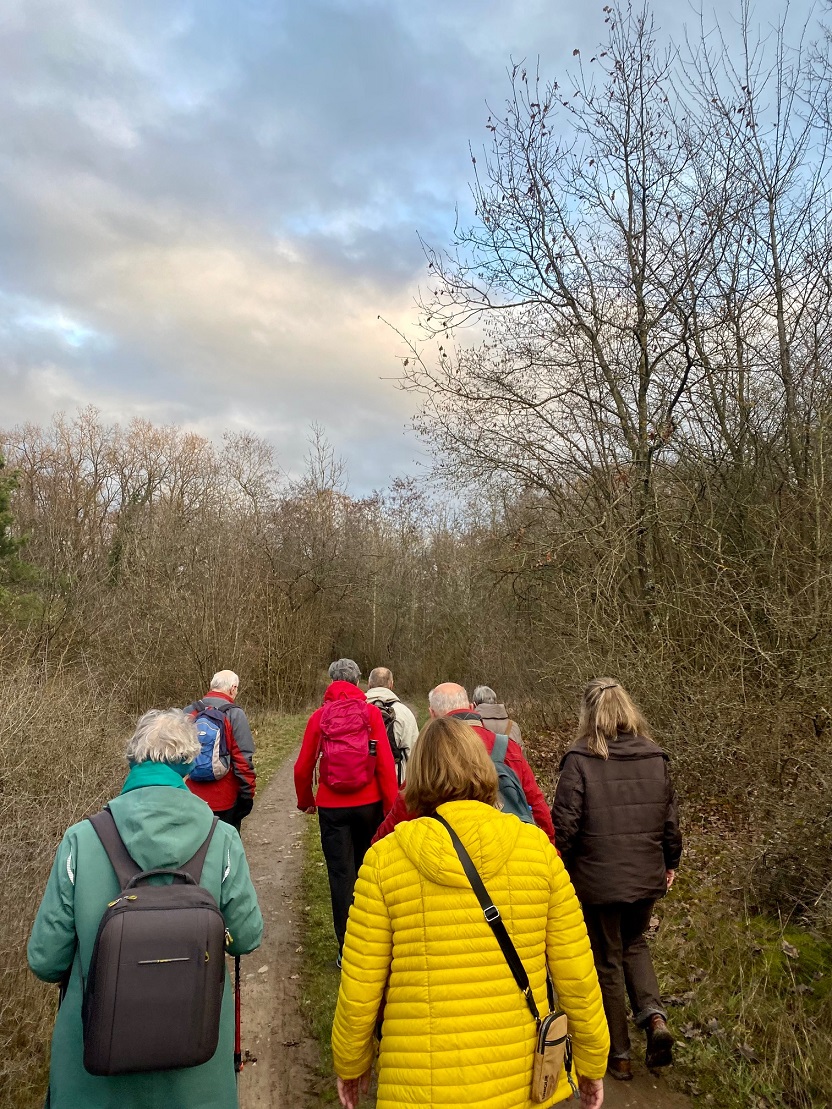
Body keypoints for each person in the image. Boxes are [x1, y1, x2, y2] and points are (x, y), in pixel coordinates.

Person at [332, 716, 609, 1109]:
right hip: (517, 1082)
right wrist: (592, 1061)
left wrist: (351, 1062)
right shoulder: (537, 852)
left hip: (418, 1088)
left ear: (417, 778)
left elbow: (360, 987)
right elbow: (578, 976)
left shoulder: (384, 860)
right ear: (482, 768)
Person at [28, 708, 264, 1109]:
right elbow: (246, 936)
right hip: (196, 1080)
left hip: (93, 1079)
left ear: (132, 759)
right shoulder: (221, 838)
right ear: (188, 765)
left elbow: (46, 960)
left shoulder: (81, 840)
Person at [552, 678, 682, 1082]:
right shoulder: (655, 757)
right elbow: (670, 823)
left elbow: (565, 827)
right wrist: (670, 862)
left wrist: (561, 866)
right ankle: (655, 1019)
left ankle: (620, 1055)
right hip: (645, 874)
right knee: (635, 943)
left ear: (587, 713)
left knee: (607, 958)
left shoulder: (579, 759)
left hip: (597, 879)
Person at [294, 658, 399, 963]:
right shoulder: (370, 713)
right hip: (370, 805)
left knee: (341, 876)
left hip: (332, 806)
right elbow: (384, 766)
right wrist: (390, 810)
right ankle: (377, 943)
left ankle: (346, 949)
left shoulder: (319, 716)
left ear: (331, 681)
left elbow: (302, 768)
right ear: (357, 682)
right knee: (371, 872)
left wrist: (307, 801)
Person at [372, 682, 556, 845]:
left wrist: (377, 845)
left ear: (432, 714)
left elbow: (405, 807)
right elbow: (536, 803)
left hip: (446, 855)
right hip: (507, 849)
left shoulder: (430, 752)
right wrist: (550, 851)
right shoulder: (508, 746)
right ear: (470, 707)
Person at [184, 669, 256, 833]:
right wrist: (247, 794)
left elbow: (176, 756)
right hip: (224, 800)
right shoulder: (235, 714)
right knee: (224, 849)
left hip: (191, 798)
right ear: (233, 688)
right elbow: (243, 760)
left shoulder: (189, 712)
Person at [365, 666, 419, 780]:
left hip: (363, 779)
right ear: (391, 685)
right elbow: (413, 753)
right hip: (395, 779)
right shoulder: (405, 713)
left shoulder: (356, 709)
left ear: (369, 684)